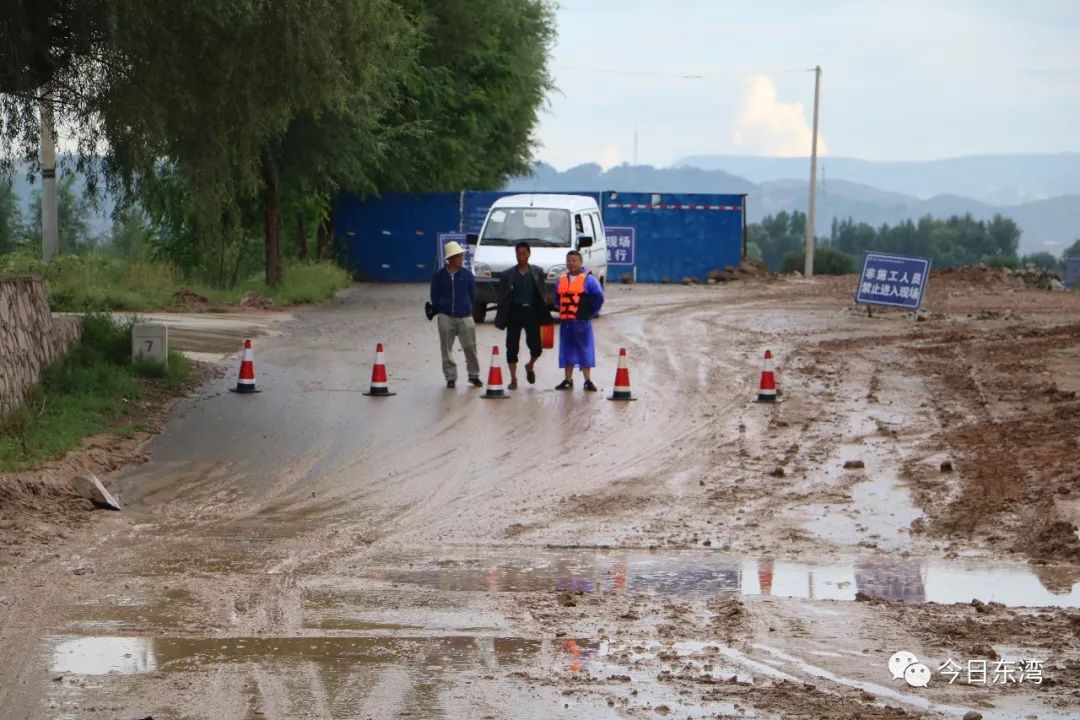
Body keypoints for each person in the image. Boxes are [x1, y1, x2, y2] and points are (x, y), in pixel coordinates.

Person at [494, 242, 552, 389]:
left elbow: (542, 293)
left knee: (537, 348)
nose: (522, 256)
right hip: (514, 313)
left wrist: (544, 312)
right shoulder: (507, 275)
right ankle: (513, 379)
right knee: (511, 347)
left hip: (532, 312)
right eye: (519, 254)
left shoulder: (537, 272)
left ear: (529, 254)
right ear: (516, 255)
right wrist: (502, 314)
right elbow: (501, 296)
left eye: (524, 254)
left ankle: (530, 366)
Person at [429, 241, 483, 389]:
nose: (461, 259)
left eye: (461, 256)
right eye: (458, 256)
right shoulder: (439, 276)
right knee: (446, 348)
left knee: (470, 347)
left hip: (465, 316)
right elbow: (434, 295)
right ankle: (450, 377)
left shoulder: (467, 276)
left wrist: (467, 309)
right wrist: (440, 308)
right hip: (446, 316)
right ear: (450, 259)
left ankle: (474, 375)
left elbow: (472, 295)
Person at [554, 249, 604, 391]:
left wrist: (593, 311)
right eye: (568, 260)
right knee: (567, 349)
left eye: (574, 260)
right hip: (567, 322)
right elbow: (558, 299)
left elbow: (599, 296)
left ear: (581, 262)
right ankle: (568, 380)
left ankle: (588, 381)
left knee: (585, 349)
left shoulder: (589, 280)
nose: (571, 263)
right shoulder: (561, 280)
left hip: (582, 321)